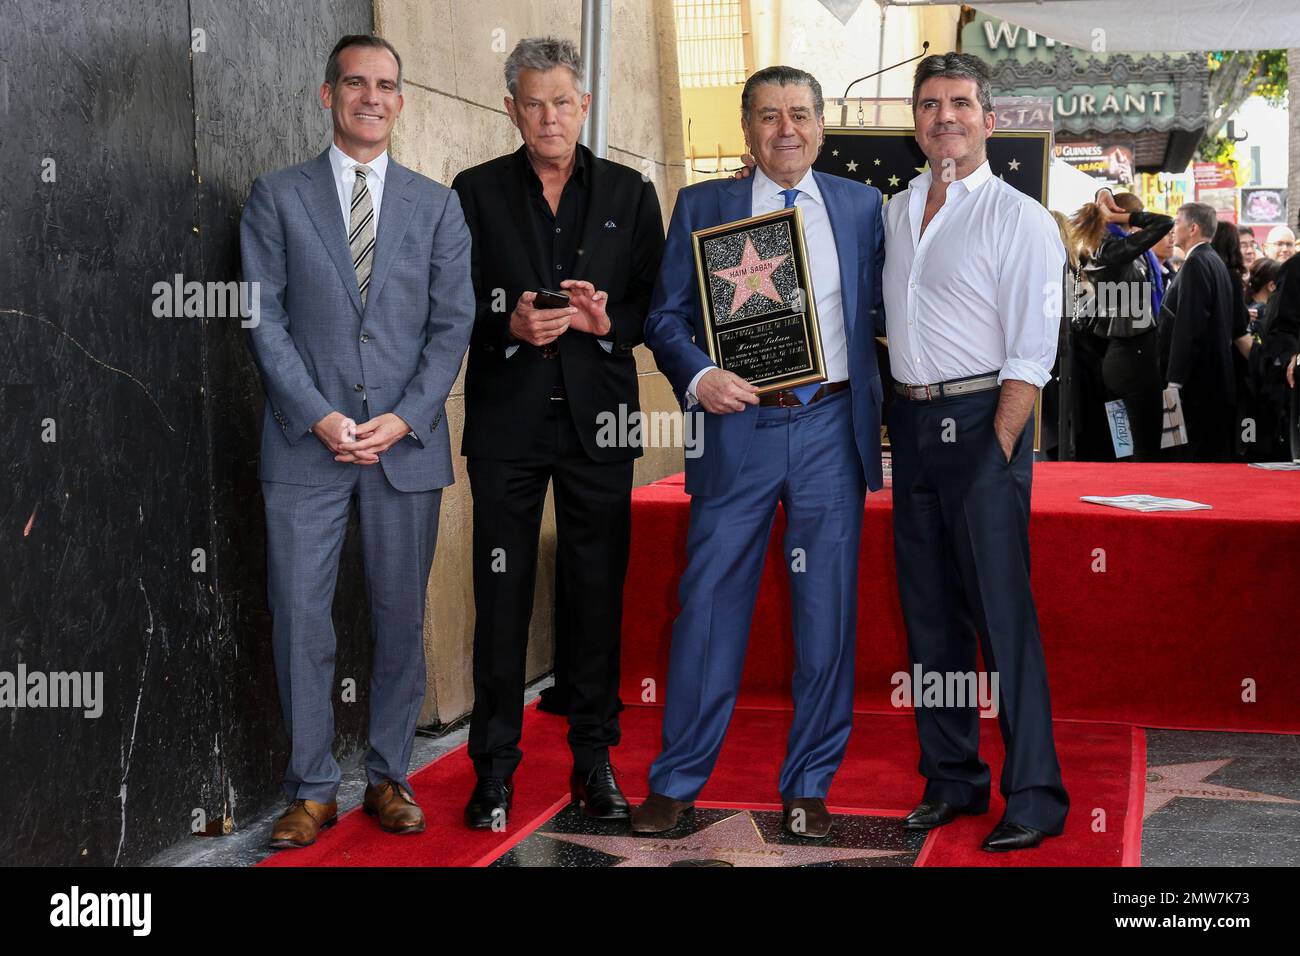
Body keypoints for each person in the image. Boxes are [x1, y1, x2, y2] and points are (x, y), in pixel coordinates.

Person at [633, 64, 887, 840]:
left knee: (825, 613)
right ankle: (676, 781)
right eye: (770, 115)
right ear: (746, 128)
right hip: (736, 429)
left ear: (820, 125)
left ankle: (810, 783)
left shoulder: (863, 207)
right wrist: (700, 374)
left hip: (829, 430)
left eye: (802, 114)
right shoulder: (701, 205)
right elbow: (664, 316)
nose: (787, 129)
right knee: (707, 606)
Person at [241, 34, 475, 848]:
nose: (371, 97)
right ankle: (309, 790)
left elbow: (453, 325)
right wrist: (320, 415)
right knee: (301, 618)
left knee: (397, 616)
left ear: (400, 101)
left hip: (405, 448)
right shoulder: (276, 197)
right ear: (327, 95)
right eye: (355, 84)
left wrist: (406, 416)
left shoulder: (438, 205)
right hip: (307, 448)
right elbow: (262, 319)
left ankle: (389, 777)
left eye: (385, 86)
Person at [450, 37, 664, 830]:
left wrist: (611, 325)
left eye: (562, 101)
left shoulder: (633, 192)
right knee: (500, 596)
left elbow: (653, 302)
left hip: (598, 423)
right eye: (533, 102)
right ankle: (494, 772)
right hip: (506, 424)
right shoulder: (471, 193)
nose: (549, 115)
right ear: (512, 109)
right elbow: (448, 303)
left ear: (583, 106)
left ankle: (594, 765)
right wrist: (504, 322)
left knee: (596, 596)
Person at [883, 52, 1068, 852]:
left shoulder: (1019, 217)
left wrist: (998, 444)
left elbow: (1033, 349)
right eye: (931, 104)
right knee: (930, 618)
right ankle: (953, 776)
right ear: (917, 122)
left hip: (985, 422)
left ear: (990, 120)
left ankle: (1035, 794)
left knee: (1002, 617)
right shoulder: (894, 212)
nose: (945, 117)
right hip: (914, 429)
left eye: (961, 103)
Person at [1068, 189, 1172, 461]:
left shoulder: (1107, 248)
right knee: (1144, 446)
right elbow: (1165, 222)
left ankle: (1131, 491)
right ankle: (1139, 496)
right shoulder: (1111, 249)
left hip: (1126, 353)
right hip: (1132, 354)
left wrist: (1104, 195)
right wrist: (1123, 214)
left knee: (1128, 448)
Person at [1159, 202, 1239, 461]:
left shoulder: (1196, 263)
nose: (1174, 228)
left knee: (1188, 457)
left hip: (1195, 385)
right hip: (1213, 381)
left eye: (1177, 222)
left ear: (1193, 228)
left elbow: (1188, 326)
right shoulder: (1213, 261)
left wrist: (1175, 380)